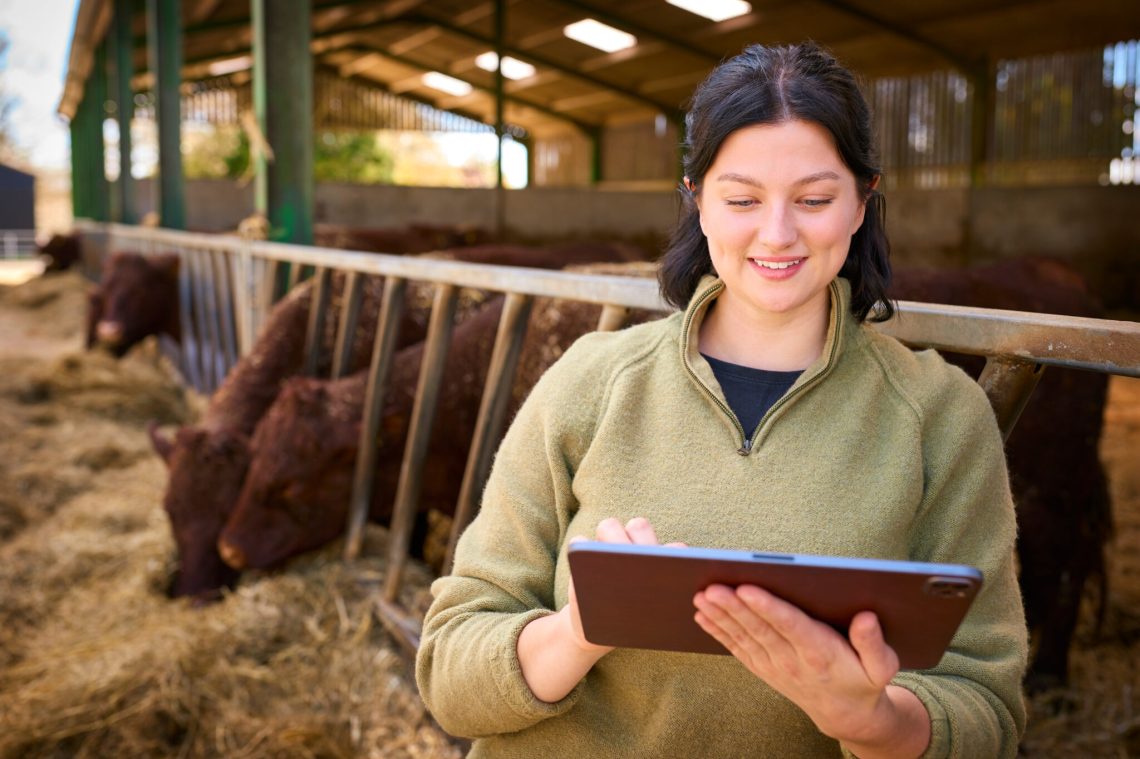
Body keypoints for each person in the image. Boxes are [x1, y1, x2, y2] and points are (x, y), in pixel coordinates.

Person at [416, 41, 1028, 758]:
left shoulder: (940, 415)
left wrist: (873, 719)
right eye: (741, 198)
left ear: (863, 201)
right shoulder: (589, 381)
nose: (777, 233)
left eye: (814, 199)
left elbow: (988, 703)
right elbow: (449, 673)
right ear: (696, 199)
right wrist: (581, 627)